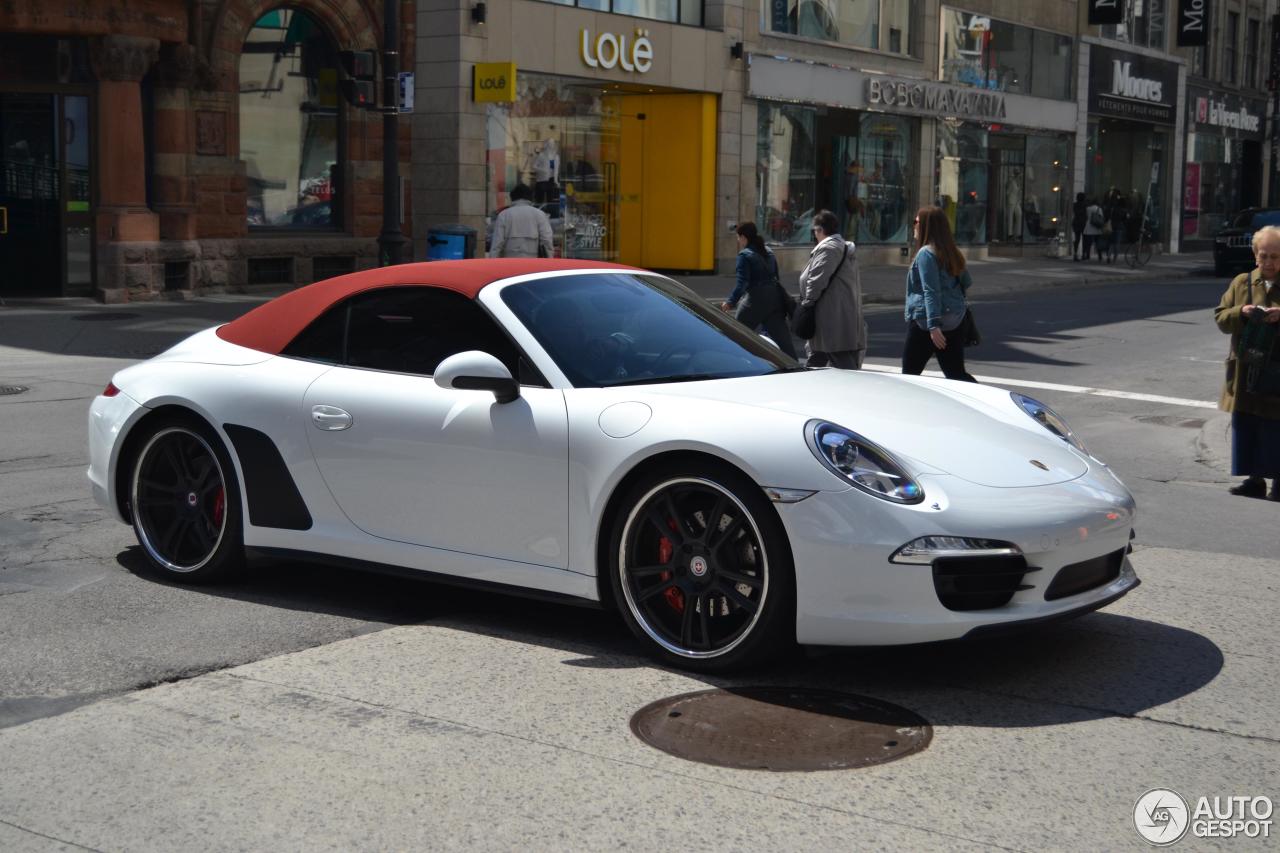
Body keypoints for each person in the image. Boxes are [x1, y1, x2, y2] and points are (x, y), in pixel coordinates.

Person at [1214, 224, 1280, 500]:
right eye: (1263, 255)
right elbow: (1221, 317)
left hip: (1276, 369)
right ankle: (1254, 480)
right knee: (1248, 423)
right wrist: (1241, 311)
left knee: (1274, 427)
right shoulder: (1242, 282)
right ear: (1255, 255)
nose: (1268, 262)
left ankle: (1278, 482)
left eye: (1275, 256)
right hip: (1245, 369)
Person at [902, 206, 977, 382]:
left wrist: (934, 326)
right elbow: (966, 281)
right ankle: (988, 402)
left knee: (909, 376)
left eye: (916, 222)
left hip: (927, 324)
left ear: (927, 225)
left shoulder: (926, 253)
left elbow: (931, 291)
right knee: (956, 374)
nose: (914, 225)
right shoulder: (951, 251)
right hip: (955, 320)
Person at [797, 210, 866, 369]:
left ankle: (855, 388)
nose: (814, 235)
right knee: (817, 356)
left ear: (821, 230)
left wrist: (807, 303)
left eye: (814, 231)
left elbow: (816, 279)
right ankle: (808, 385)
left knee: (837, 355)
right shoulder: (839, 247)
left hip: (830, 313)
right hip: (834, 310)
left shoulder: (829, 249)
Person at [722, 222, 797, 359]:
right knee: (784, 342)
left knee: (736, 334)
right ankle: (795, 365)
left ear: (744, 237)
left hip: (755, 300)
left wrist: (730, 302)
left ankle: (730, 362)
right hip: (775, 299)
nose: (738, 241)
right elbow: (776, 276)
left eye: (738, 238)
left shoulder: (744, 256)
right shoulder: (769, 252)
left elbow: (742, 284)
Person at [488, 183, 553, 259]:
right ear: (530, 197)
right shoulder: (539, 214)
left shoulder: (504, 215)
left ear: (512, 197)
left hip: (509, 263)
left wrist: (493, 262)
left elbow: (497, 244)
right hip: (533, 262)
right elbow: (546, 240)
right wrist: (549, 259)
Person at [1082, 196, 1105, 262]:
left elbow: (1086, 216)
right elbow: (1101, 217)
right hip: (1096, 227)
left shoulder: (1088, 208)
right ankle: (1099, 255)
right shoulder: (1099, 209)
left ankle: (1087, 255)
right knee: (1098, 242)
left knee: (1088, 243)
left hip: (1089, 226)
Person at [1071, 192, 1088, 261]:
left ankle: (1075, 253)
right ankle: (1083, 254)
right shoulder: (1085, 205)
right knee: (1084, 239)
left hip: (1076, 222)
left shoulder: (1075, 205)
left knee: (1077, 239)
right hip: (1083, 223)